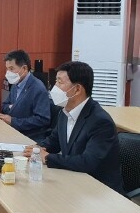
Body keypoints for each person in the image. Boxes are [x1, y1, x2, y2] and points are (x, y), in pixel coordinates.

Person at [24, 61, 125, 195]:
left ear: (77, 89)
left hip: (100, 193)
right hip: (75, 181)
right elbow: (53, 141)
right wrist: (36, 149)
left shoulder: (100, 121)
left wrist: (48, 157)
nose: (54, 87)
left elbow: (88, 162)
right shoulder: (64, 112)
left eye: (60, 83)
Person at [0, 50, 51, 142]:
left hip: (30, 137)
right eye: (7, 69)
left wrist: (13, 121)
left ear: (24, 68)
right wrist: (11, 108)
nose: (8, 72)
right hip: (14, 131)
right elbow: (4, 105)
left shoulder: (38, 88)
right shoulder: (16, 83)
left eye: (11, 69)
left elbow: (42, 119)